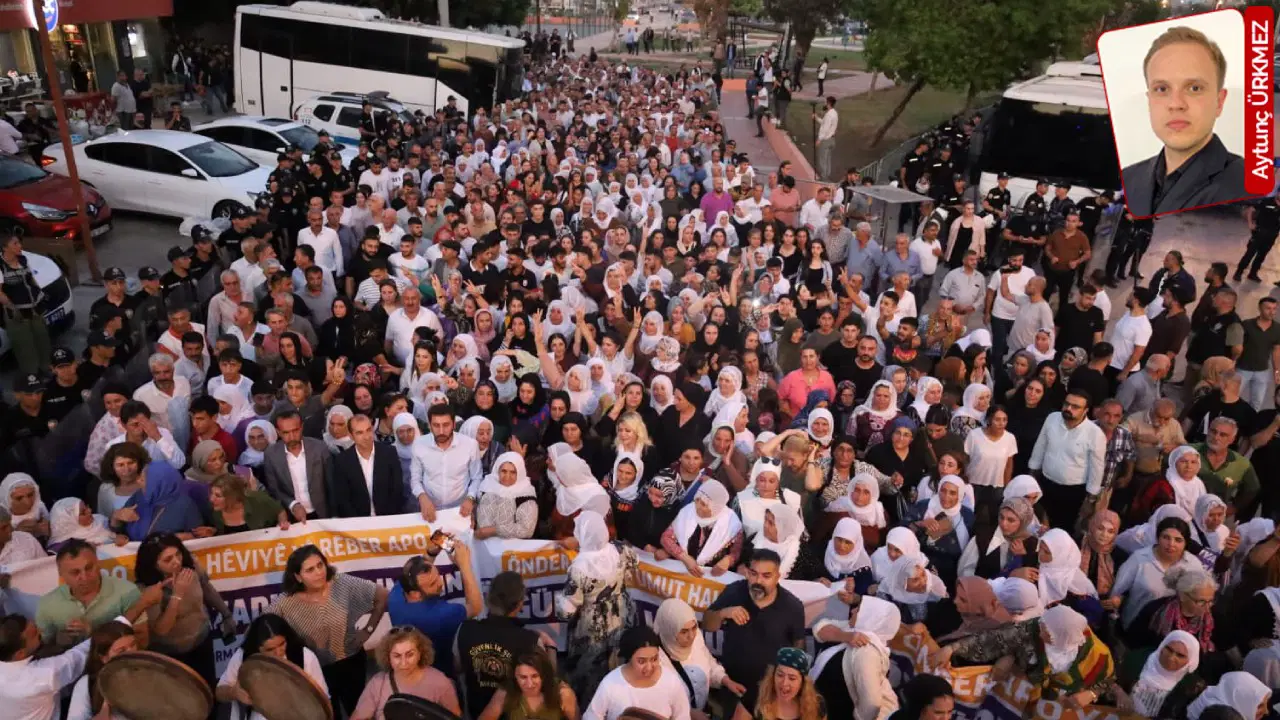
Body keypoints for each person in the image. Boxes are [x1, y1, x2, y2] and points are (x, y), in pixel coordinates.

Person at [1120, 26, 1247, 217]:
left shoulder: (1249, 186)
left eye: (1194, 88)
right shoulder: (1128, 178)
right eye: (1162, 89)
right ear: (1149, 101)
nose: (1176, 104)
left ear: (1219, 102)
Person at [267, 544, 389, 715]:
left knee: (360, 711)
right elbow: (261, 628)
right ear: (298, 577)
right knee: (327, 713)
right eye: (310, 570)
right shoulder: (285, 602)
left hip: (351, 661)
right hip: (315, 670)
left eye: (320, 565)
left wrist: (367, 630)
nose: (319, 572)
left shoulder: (342, 583)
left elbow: (383, 595)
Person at [933, 604, 1115, 705]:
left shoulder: (1098, 655)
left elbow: (1108, 680)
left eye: (1048, 633)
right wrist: (952, 648)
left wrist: (1091, 694)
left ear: (1063, 637)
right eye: (1042, 625)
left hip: (1062, 707)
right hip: (1026, 697)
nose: (1040, 632)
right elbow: (995, 639)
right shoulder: (1034, 627)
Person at [703, 549, 806, 715]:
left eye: (766, 576)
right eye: (753, 574)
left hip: (770, 692)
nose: (758, 581)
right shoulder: (734, 592)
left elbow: (798, 646)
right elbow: (707, 624)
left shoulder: (792, 606)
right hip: (733, 686)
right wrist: (724, 613)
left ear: (777, 577)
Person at [133, 532, 235, 687]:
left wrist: (226, 614)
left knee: (208, 689)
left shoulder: (190, 565)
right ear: (154, 564)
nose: (176, 562)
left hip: (202, 641)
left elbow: (206, 587)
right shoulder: (148, 589)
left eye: (178, 554)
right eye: (168, 559)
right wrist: (177, 595)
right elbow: (160, 630)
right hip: (171, 654)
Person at [557, 510, 638, 701]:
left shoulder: (580, 567)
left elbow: (566, 612)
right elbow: (633, 567)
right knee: (618, 662)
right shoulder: (621, 549)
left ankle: (590, 706)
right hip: (621, 613)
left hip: (591, 625)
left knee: (590, 670)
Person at [389, 535, 483, 676]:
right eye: (432, 583)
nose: (440, 583)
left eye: (437, 575)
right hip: (440, 676)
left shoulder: (396, 596)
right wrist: (464, 565)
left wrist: (430, 554)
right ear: (415, 594)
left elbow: (414, 573)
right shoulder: (439, 616)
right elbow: (475, 607)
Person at [454, 571, 546, 716]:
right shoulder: (530, 640)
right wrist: (551, 647)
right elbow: (546, 682)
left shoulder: (465, 629)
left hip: (476, 712)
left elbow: (457, 666)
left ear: (489, 598)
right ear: (520, 603)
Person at [217, 614, 328, 720]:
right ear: (257, 648)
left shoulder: (304, 656)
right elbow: (219, 692)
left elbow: (324, 700)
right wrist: (234, 692)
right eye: (270, 649)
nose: (278, 652)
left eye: (282, 644)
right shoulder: (243, 656)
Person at [811, 596, 900, 720]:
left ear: (870, 618)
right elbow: (820, 627)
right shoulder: (854, 630)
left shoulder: (866, 650)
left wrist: (857, 717)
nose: (852, 611)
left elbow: (871, 703)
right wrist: (846, 636)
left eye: (858, 610)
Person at [581, 625, 692, 720]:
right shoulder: (611, 684)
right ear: (629, 658)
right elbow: (592, 717)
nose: (649, 667)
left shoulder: (671, 682)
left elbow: (683, 717)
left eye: (654, 659)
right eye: (641, 661)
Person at [653, 598, 743, 711]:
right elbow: (660, 703)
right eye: (684, 631)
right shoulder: (655, 660)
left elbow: (708, 661)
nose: (691, 636)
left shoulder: (697, 638)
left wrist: (726, 681)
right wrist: (691, 714)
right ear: (670, 631)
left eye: (694, 627)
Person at [352, 626, 462, 719]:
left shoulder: (440, 682)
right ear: (388, 657)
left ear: (420, 653)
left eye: (410, 654)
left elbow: (454, 717)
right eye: (397, 656)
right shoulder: (377, 683)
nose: (404, 663)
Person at [0, 612, 92, 719]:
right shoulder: (42, 675)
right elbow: (78, 657)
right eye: (35, 633)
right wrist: (97, 632)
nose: (41, 630)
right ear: (20, 653)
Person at [331, 414, 405, 517]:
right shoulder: (342, 460)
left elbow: (397, 489)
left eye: (368, 430)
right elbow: (342, 498)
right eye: (359, 433)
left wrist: (387, 519)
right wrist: (358, 522)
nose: (366, 436)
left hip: (388, 518)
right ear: (351, 436)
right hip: (357, 521)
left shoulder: (389, 453)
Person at [66, 619, 137, 720]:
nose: (131, 652)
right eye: (121, 651)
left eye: (133, 645)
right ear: (104, 658)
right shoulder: (88, 684)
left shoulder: (153, 675)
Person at [478, 650, 578, 720]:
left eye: (535, 676)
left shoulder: (563, 694)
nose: (529, 684)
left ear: (544, 675)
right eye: (523, 677)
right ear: (514, 676)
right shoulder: (505, 693)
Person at [735, 647, 826, 720]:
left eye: (792, 678)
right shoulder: (754, 698)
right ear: (773, 675)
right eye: (780, 675)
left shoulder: (816, 705)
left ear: (803, 682)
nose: (784, 683)